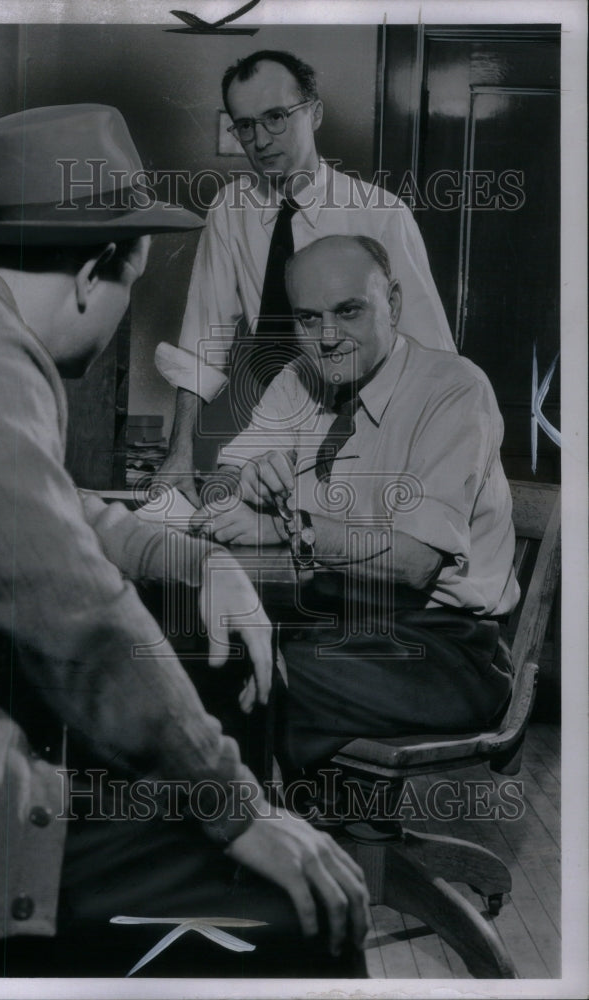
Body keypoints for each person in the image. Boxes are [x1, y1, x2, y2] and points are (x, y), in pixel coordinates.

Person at [0, 106, 370, 979]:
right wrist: (237, 808)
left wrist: (198, 559)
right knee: (299, 911)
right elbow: (66, 602)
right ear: (105, 264)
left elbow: (55, 510)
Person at [190, 234, 518, 795]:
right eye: (307, 318)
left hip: (442, 650)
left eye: (349, 312)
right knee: (204, 644)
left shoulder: (454, 389)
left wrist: (286, 527)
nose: (327, 338)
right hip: (337, 620)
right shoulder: (298, 381)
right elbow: (217, 484)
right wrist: (238, 482)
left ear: (392, 303)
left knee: (240, 670)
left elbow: (415, 562)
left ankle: (250, 853)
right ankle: (264, 838)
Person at [154, 49, 454, 505]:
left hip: (374, 425)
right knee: (232, 532)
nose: (260, 139)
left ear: (314, 114)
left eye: (276, 117)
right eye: (245, 125)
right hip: (279, 412)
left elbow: (433, 353)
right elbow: (202, 342)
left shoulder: (382, 214)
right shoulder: (230, 211)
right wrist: (178, 456)